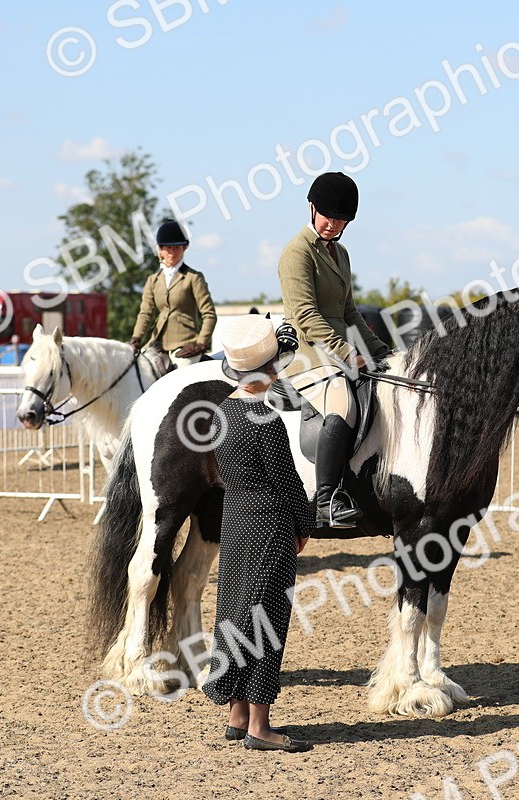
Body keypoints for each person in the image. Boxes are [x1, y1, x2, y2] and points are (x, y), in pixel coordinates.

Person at [202, 314, 314, 753]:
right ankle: (260, 727)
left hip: (236, 521)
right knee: (266, 619)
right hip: (269, 525)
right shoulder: (263, 419)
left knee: (234, 612)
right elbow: (287, 481)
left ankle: (236, 714)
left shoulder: (220, 413)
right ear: (267, 371)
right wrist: (304, 525)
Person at [276, 172, 391, 528]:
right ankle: (326, 501)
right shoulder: (296, 253)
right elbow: (307, 316)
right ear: (312, 208)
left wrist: (379, 349)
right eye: (327, 215)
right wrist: (347, 353)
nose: (333, 223)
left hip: (337, 350)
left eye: (341, 219)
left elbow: (349, 311)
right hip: (307, 354)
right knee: (342, 404)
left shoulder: (340, 253)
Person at [130, 218, 216, 367]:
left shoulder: (193, 278)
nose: (172, 252)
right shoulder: (153, 280)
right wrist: (136, 338)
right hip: (157, 343)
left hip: (187, 345)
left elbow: (209, 314)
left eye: (176, 248)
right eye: (167, 248)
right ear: (160, 249)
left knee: (182, 375)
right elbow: (145, 313)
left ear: (184, 248)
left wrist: (201, 343)